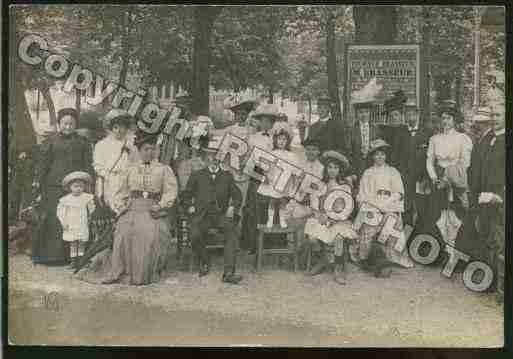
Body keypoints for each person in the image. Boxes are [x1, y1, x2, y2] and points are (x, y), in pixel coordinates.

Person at [101, 131, 178, 285]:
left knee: (150, 233)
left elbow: (170, 192)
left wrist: (161, 205)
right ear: (139, 150)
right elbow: (121, 191)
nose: (149, 153)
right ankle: (120, 271)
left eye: (152, 149)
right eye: (146, 149)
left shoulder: (164, 169)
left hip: (153, 209)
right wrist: (121, 206)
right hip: (133, 208)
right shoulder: (130, 169)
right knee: (123, 232)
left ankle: (144, 273)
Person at [32, 108, 94, 265]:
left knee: (75, 220)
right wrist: (38, 181)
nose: (68, 126)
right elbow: (43, 165)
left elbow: (88, 165)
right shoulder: (51, 142)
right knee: (55, 219)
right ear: (59, 124)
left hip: (76, 187)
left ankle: (72, 256)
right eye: (65, 123)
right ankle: (51, 256)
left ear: (76, 125)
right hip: (53, 186)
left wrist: (88, 184)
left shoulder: (82, 142)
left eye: (71, 123)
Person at [181, 136, 244, 284]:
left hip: (221, 215)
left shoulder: (227, 176)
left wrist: (232, 207)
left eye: (217, 155)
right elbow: (185, 195)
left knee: (232, 232)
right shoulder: (197, 175)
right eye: (210, 155)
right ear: (206, 157)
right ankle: (205, 260)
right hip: (201, 215)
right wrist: (189, 206)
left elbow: (237, 195)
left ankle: (228, 272)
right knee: (195, 235)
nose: (214, 158)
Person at [353, 139, 414, 277]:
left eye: (382, 154)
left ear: (386, 156)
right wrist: (375, 206)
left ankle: (392, 257)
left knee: (392, 222)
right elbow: (363, 194)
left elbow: (398, 193)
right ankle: (365, 256)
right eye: (376, 154)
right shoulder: (368, 173)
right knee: (368, 224)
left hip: (389, 206)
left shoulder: (393, 172)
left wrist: (385, 206)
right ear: (372, 156)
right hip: (372, 208)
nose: (379, 157)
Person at [462, 107, 505, 283]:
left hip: (498, 198)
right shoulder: (489, 140)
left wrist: (499, 195)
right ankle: (490, 277)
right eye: (493, 116)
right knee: (487, 236)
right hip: (483, 197)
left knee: (499, 239)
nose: (494, 119)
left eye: (498, 115)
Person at [425, 101, 473, 256]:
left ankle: (457, 251)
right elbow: (429, 160)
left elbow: (466, 162)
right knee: (440, 214)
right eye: (443, 118)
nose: (445, 121)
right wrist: (434, 177)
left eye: (449, 118)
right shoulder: (435, 139)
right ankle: (443, 251)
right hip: (438, 178)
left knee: (456, 215)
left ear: (454, 120)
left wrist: (451, 177)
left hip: (456, 177)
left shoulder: (462, 138)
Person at [304, 151, 357, 284]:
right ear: (326, 169)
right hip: (322, 218)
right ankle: (322, 260)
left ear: (339, 170)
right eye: (330, 167)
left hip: (339, 220)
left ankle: (338, 267)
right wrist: (320, 215)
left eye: (335, 168)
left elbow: (348, 207)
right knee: (312, 238)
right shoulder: (320, 184)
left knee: (339, 238)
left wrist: (337, 218)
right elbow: (314, 203)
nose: (332, 171)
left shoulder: (345, 186)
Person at [240, 103, 279, 253]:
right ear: (259, 122)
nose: (266, 123)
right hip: (256, 175)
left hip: (272, 177)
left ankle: (271, 243)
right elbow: (249, 157)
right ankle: (253, 244)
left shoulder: (277, 138)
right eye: (263, 120)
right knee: (253, 210)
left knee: (270, 207)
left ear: (272, 122)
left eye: (269, 121)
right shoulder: (253, 138)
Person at [257, 122, 299, 228]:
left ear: (287, 142)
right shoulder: (272, 153)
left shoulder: (291, 155)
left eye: (284, 140)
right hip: (273, 180)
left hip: (285, 181)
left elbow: (295, 168)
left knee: (282, 201)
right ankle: (270, 220)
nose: (281, 142)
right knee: (272, 200)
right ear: (275, 140)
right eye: (279, 139)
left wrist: (294, 178)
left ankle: (282, 219)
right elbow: (265, 166)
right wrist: (266, 175)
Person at [93, 109, 137, 210]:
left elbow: (136, 164)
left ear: (126, 128)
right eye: (116, 127)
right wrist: (107, 174)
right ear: (111, 128)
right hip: (110, 180)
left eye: (122, 127)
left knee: (126, 208)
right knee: (110, 207)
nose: (119, 130)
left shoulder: (131, 146)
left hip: (126, 181)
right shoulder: (101, 145)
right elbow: (97, 165)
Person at [56, 171, 95, 269]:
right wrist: (63, 222)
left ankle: (81, 260)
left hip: (82, 222)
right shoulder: (66, 200)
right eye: (75, 186)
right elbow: (60, 212)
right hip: (71, 223)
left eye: (81, 187)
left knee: (81, 242)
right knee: (73, 242)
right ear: (70, 187)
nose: (78, 189)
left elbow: (91, 207)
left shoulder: (86, 197)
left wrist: (91, 215)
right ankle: (73, 261)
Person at [349, 95, 382, 180]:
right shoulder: (351, 130)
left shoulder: (376, 129)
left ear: (370, 113)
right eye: (361, 112)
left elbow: (379, 151)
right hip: (357, 168)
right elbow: (349, 152)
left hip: (373, 167)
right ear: (357, 114)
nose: (364, 115)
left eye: (366, 112)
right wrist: (352, 172)